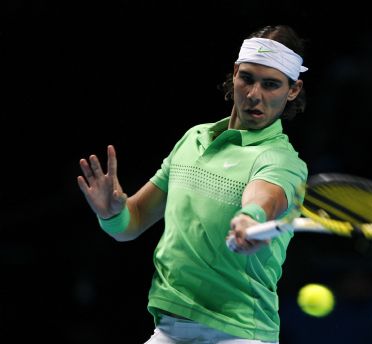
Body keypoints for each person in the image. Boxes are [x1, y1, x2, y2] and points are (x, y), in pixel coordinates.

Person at [77, 24, 309, 344]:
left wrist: (250, 219)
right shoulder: (193, 139)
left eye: (271, 85)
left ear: (293, 90)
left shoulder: (281, 160)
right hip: (170, 327)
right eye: (248, 78)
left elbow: (264, 199)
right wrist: (111, 213)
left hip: (239, 332)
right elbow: (131, 225)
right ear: (235, 73)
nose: (255, 94)